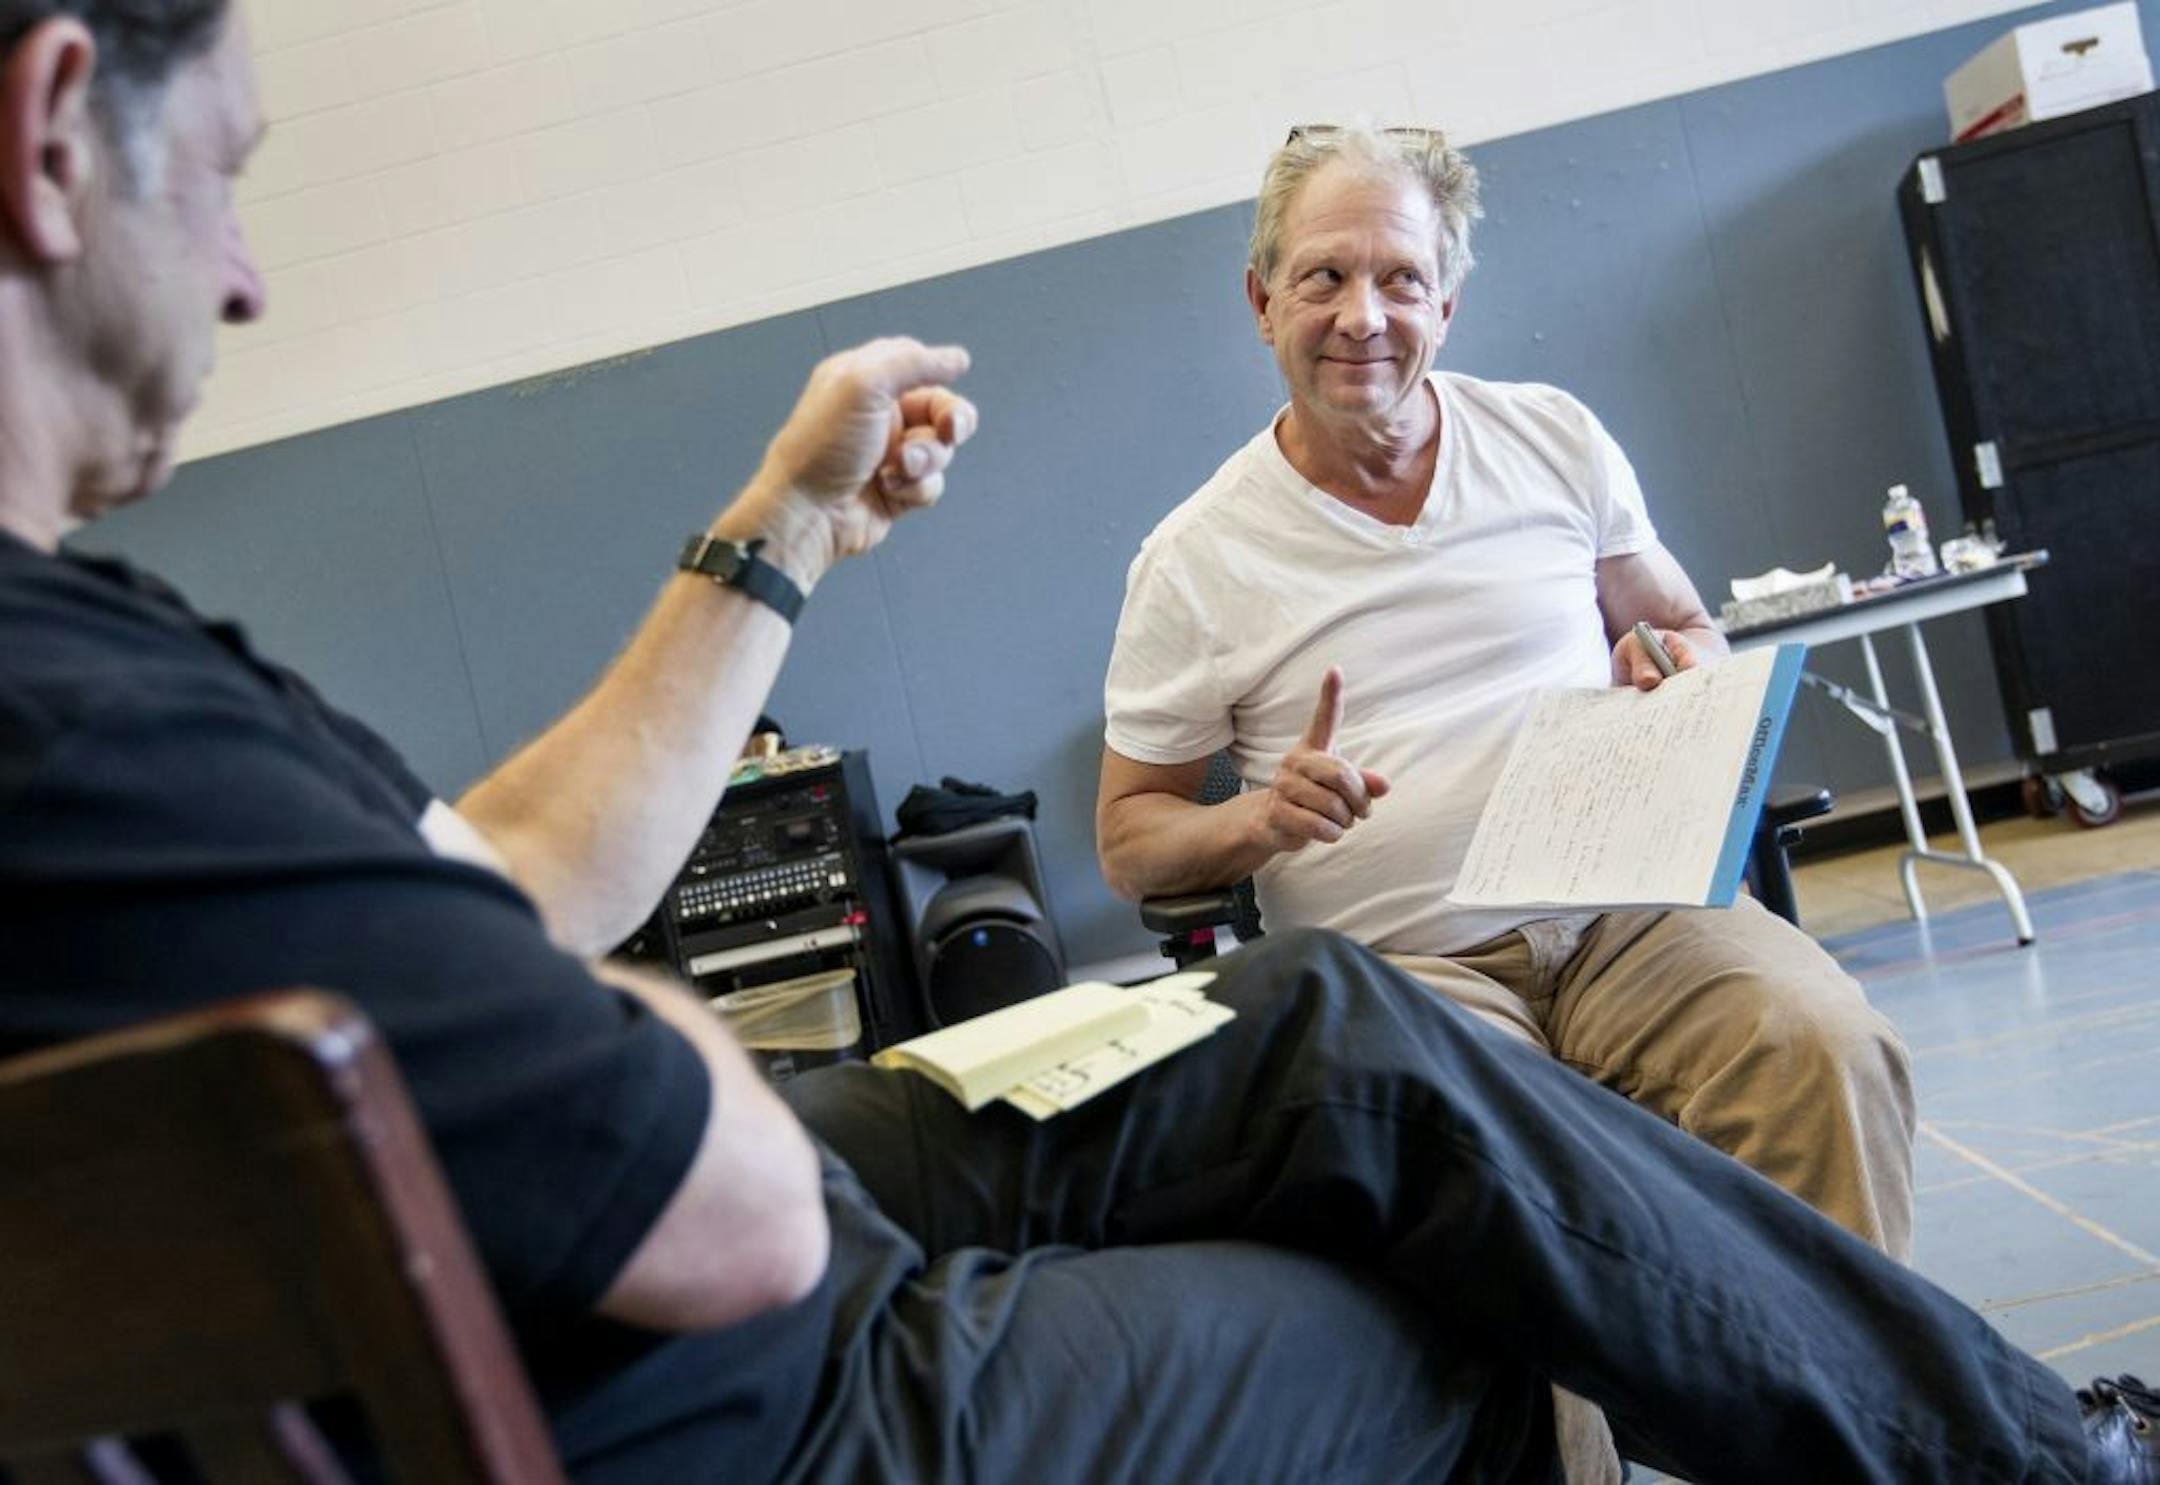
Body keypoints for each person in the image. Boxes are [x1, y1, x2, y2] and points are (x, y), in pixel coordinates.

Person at [0, 6, 2150, 1482]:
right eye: (230, 175)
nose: (258, 276)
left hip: (647, 1215)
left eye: (1398, 278)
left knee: (1333, 1033)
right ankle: (2021, 1461)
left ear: (1449, 295)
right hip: (708, 1341)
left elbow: (513, 870)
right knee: (1414, 1241)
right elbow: (717, 1206)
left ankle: (1975, 1442)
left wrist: (783, 530)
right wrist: (673, 1055)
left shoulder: (85, 655)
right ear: (57, 123)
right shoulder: (78, 714)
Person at [1098, 124, 1916, 1262]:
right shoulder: (1194, 559)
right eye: (1324, 277)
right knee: (1495, 1179)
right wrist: (1255, 818)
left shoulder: (1551, 438)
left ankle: (1840, 1435)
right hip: (1408, 972)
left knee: (1821, 1042)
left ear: (1448, 307)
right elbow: (1131, 839)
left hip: (1632, 918)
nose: (1363, 316)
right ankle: (1571, 1451)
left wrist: (1676, 665)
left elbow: (1684, 625)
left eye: (1401, 280)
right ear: (1262, 300)